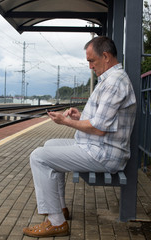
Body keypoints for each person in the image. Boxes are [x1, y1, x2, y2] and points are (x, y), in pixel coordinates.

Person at [23, 36, 136, 238]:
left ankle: (56, 221)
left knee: (39, 156)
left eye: (91, 61)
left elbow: (99, 129)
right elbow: (103, 121)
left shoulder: (114, 83)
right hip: (99, 146)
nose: (90, 66)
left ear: (106, 56)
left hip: (104, 153)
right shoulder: (110, 80)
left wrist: (65, 121)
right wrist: (80, 116)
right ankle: (60, 208)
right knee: (49, 144)